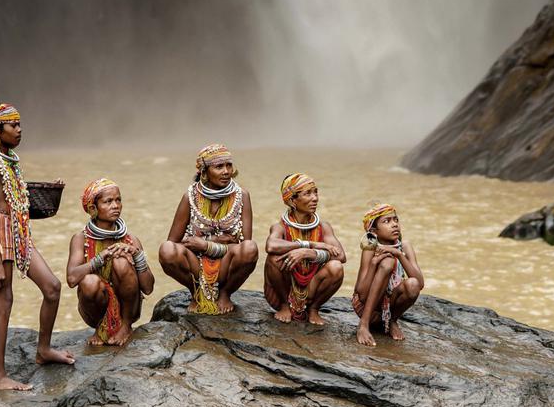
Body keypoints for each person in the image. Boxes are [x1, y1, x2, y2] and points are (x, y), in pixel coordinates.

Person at [0, 100, 75, 391]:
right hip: (0, 236)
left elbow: (17, 199)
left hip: (18, 231)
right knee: (4, 302)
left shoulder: (10, 159)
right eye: (13, 125)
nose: (19, 130)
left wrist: (48, 191)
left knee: (52, 288)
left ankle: (43, 351)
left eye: (19, 125)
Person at [159, 143, 258, 314]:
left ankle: (225, 293)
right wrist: (214, 241)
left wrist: (205, 245)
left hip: (226, 264)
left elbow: (243, 244)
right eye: (219, 166)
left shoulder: (242, 195)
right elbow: (174, 242)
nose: (226, 171)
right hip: (195, 263)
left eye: (229, 165)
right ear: (203, 171)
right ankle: (196, 292)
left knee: (250, 249)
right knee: (166, 250)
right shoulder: (190, 196)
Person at [66, 178, 154, 348]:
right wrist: (102, 257)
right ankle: (101, 327)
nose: (116, 205)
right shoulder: (80, 239)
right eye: (108, 201)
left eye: (118, 200)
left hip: (130, 310)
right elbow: (71, 279)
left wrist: (136, 255)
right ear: (93, 208)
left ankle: (126, 326)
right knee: (89, 281)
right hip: (94, 311)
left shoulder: (131, 239)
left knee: (121, 262)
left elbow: (148, 288)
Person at [263, 173, 345, 326]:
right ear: (292, 200)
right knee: (274, 258)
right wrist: (309, 244)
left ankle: (314, 309)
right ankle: (284, 306)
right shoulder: (280, 227)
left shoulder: (323, 227)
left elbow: (341, 256)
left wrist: (309, 253)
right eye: (308, 193)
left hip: (311, 289)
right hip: (282, 293)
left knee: (336, 267)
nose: (315, 198)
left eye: (315, 192)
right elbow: (271, 246)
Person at [352, 202, 423, 346]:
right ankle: (363, 325)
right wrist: (374, 264)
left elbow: (419, 284)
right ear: (374, 231)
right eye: (387, 221)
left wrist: (399, 254)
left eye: (396, 220)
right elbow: (361, 293)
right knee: (387, 263)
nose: (394, 224)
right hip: (368, 309)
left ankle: (392, 321)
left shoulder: (405, 246)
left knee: (412, 283)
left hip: (390, 306)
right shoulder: (370, 247)